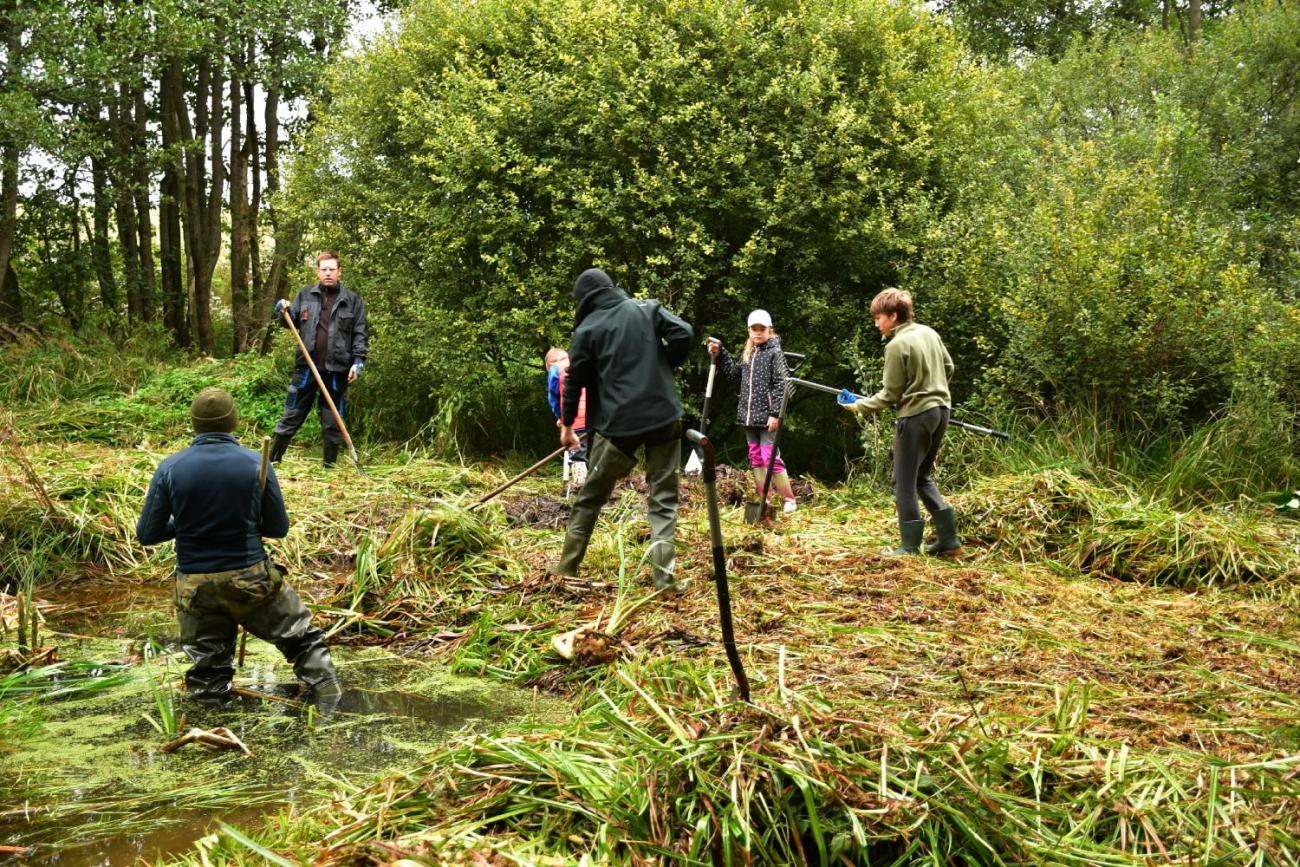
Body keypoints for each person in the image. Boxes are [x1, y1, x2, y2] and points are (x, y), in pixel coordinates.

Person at [136, 388, 341, 704]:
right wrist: (244, 521)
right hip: (250, 579)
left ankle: (209, 734)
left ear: (195, 425)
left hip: (195, 586)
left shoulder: (170, 468)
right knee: (302, 641)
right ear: (233, 422)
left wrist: (185, 524)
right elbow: (278, 528)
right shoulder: (255, 463)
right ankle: (332, 707)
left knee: (208, 673)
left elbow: (148, 533)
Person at [549, 267, 694, 591]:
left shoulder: (587, 330)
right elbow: (683, 332)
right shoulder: (646, 308)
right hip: (663, 418)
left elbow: (574, 383)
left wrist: (568, 426)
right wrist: (664, 366)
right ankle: (663, 580)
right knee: (664, 499)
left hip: (619, 427)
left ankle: (566, 569)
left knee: (591, 497)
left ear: (583, 300)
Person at [841, 288, 961, 556]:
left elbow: (889, 394)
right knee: (922, 476)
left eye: (878, 318)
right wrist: (932, 388)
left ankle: (909, 547)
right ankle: (949, 540)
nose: (876, 324)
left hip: (916, 416)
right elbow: (949, 367)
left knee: (903, 482)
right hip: (941, 411)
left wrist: (860, 406)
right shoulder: (929, 333)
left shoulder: (896, 345)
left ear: (893, 316)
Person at [269, 251, 369, 466]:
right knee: (292, 414)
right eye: (324, 269)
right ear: (318, 271)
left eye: (332, 269)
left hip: (337, 371)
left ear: (339, 272)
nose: (328, 273)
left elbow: (360, 333)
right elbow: (289, 322)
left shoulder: (353, 301)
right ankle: (272, 462)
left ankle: (329, 467)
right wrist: (283, 310)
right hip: (306, 368)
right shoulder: (305, 295)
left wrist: (358, 361)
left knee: (332, 421)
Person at [707, 309, 798, 515]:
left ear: (769, 330)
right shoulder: (748, 353)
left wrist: (775, 413)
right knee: (756, 457)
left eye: (762, 329)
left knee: (770, 457)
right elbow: (732, 374)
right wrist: (720, 353)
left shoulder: (775, 353)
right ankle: (764, 498)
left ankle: (789, 499)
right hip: (749, 416)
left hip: (767, 417)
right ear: (749, 331)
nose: (758, 333)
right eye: (754, 329)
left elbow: (781, 385)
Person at [544, 347, 588, 492]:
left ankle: (581, 488)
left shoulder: (555, 372)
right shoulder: (582, 365)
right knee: (595, 454)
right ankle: (601, 489)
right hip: (595, 419)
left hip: (575, 423)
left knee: (578, 455)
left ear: (548, 366)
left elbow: (554, 398)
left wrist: (561, 418)